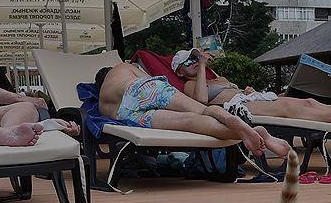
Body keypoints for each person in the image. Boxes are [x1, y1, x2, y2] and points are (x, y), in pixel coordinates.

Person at [95, 60, 291, 157]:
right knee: (202, 110)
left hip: (125, 114)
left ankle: (241, 133)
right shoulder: (121, 68)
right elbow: (147, 79)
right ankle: (237, 122)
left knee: (189, 122)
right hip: (141, 89)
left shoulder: (102, 103)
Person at [172, 48, 331, 126]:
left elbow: (229, 90)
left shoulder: (214, 79)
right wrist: (202, 64)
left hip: (250, 99)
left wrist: (247, 90)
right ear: (179, 72)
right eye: (188, 61)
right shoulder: (189, 85)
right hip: (235, 108)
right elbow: (201, 101)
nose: (194, 62)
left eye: (195, 58)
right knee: (288, 109)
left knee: (308, 101)